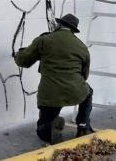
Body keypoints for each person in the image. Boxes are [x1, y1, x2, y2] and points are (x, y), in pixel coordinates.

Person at [14, 14, 93, 144]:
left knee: (42, 129)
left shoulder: (44, 40)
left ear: (59, 25)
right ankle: (83, 127)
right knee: (88, 92)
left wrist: (17, 54)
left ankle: (49, 127)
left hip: (50, 94)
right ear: (73, 30)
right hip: (75, 90)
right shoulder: (82, 47)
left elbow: (24, 61)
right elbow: (85, 75)